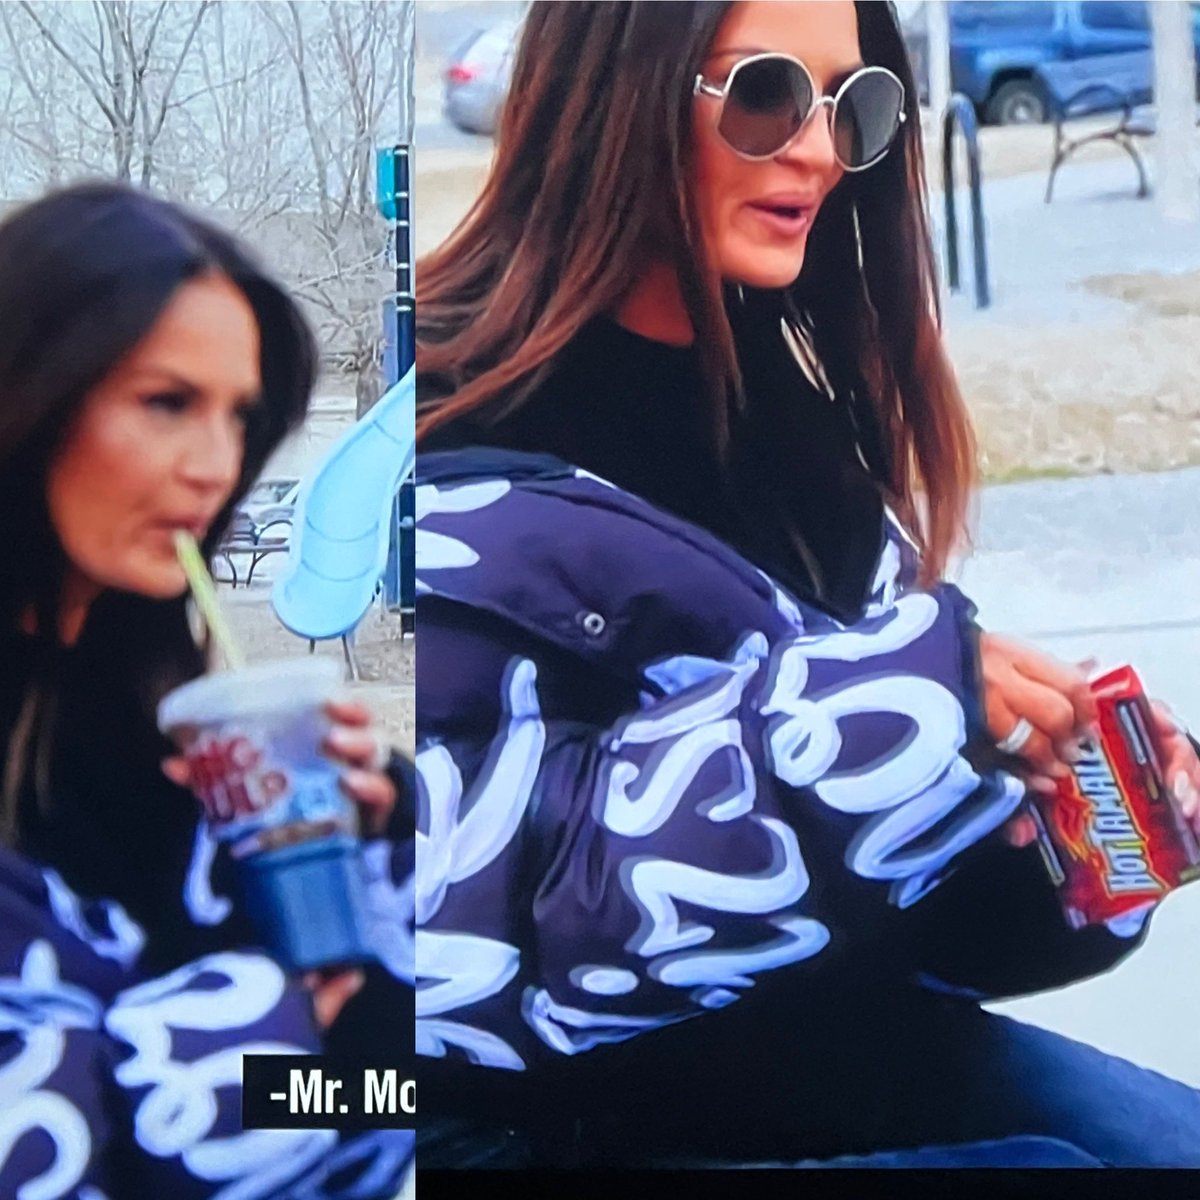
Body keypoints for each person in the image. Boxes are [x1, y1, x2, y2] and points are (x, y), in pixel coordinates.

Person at [413, 0, 1200, 1169]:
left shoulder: (799, 427)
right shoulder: (420, 436)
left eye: (857, 101)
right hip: (539, 1126)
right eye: (769, 93)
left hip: (845, 1056)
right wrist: (876, 721)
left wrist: (1076, 826)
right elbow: (457, 944)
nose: (825, 150)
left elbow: (912, 920)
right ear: (613, 89)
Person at [0, 182, 414, 1197]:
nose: (216, 466)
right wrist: (249, 1045)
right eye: (167, 403)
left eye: (239, 417)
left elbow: (382, 1093)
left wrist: (385, 846)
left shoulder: (182, 734)